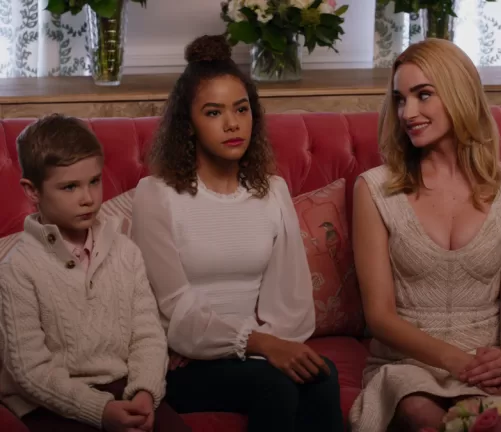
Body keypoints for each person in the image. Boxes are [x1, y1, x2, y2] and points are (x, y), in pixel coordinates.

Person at [129, 35, 343, 432]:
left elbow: (292, 303)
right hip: (182, 363)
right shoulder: (155, 195)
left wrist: (266, 347)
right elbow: (174, 310)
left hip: (252, 355)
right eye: (213, 112)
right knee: (274, 386)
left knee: (322, 377)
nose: (232, 123)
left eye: (241, 109)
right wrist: (260, 344)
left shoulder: (272, 190)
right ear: (188, 125)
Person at [348, 38, 501, 432]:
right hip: (407, 362)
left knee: (484, 415)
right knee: (423, 412)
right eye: (400, 99)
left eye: (423, 95)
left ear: (459, 94)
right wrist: (456, 361)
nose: (408, 113)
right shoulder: (374, 189)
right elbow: (379, 316)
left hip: (487, 358)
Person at [0, 114, 190, 432]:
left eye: (94, 181)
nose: (88, 198)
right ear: (32, 191)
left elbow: (148, 335)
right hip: (48, 402)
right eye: (70, 187)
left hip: (122, 386)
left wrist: (145, 391)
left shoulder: (126, 252)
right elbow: (30, 372)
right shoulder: (17, 269)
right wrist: (100, 411)